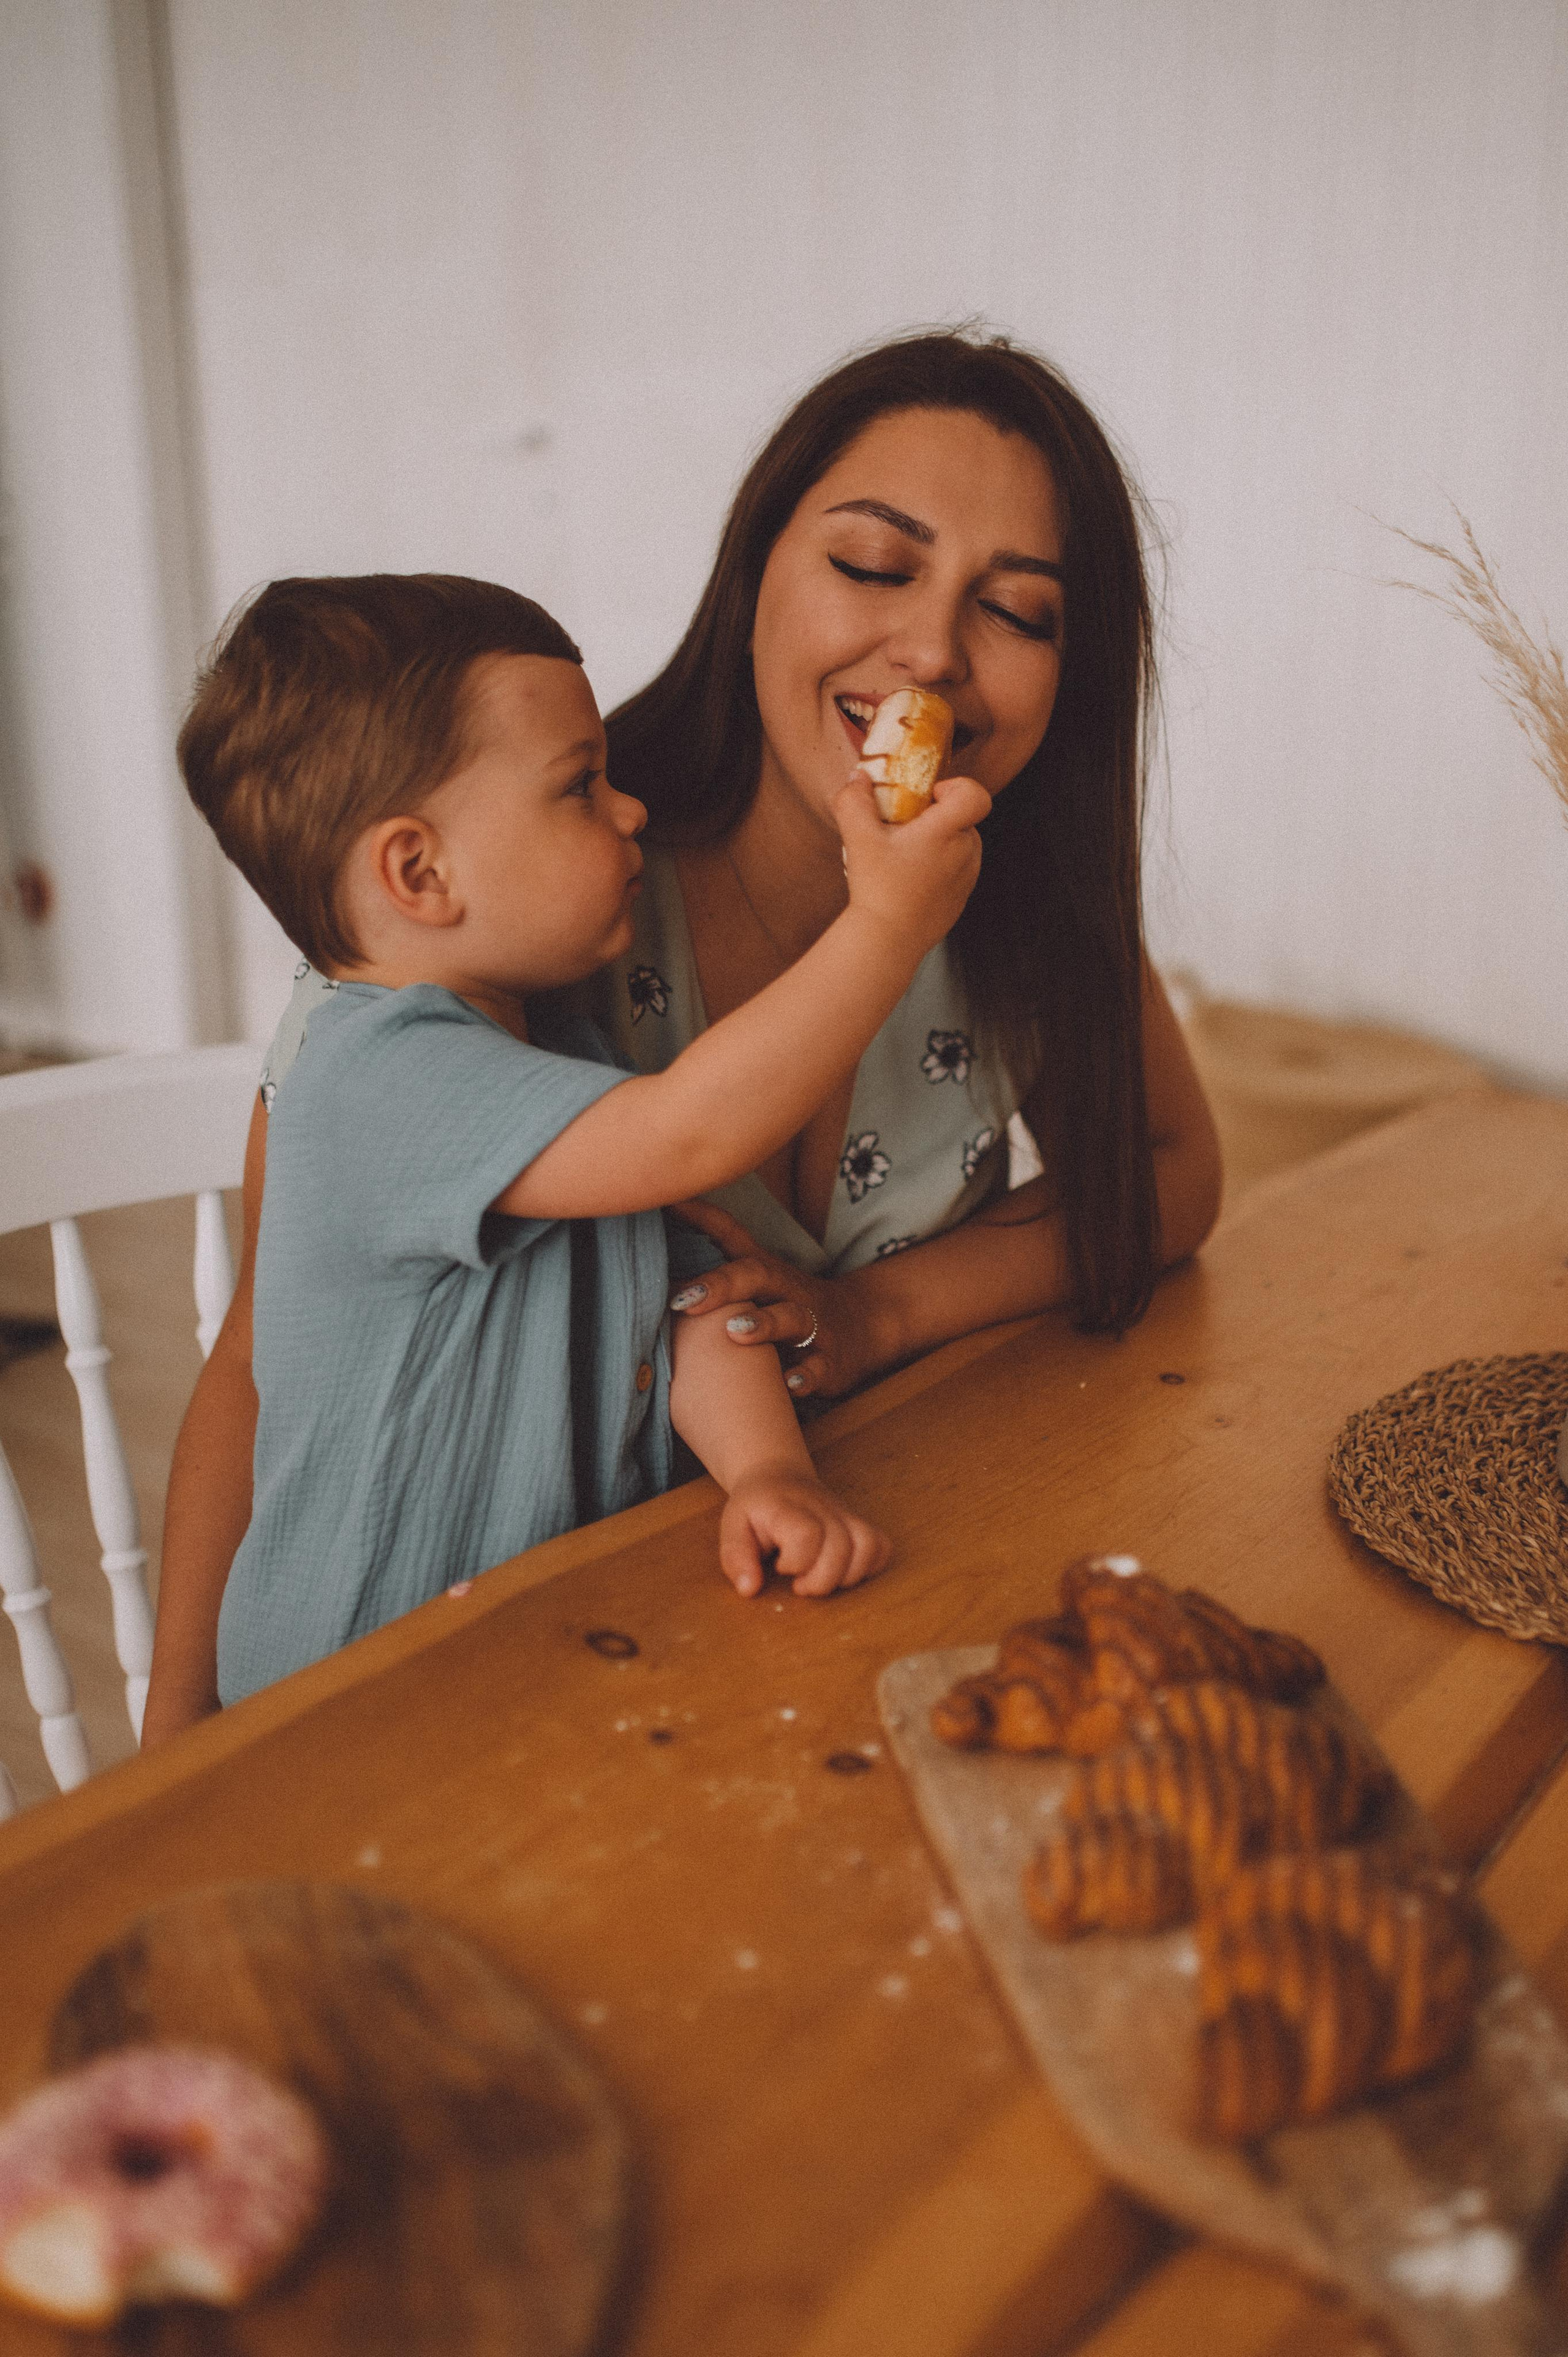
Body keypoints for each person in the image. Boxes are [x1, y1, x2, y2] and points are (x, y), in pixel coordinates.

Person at [142, 326, 1221, 1746]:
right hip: (490, 1677)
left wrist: (884, 1311)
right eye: (873, 565)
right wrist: (174, 1722)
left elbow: (1168, 1171)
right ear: (755, 566)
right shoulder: (513, 902)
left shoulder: (1013, 892)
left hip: (822, 1600)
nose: (931, 654)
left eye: (1016, 610)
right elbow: (259, 1355)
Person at [144, 573, 990, 1723]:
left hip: (541, 1669)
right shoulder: (374, 1079)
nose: (630, 810)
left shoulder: (576, 1063)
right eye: (579, 787)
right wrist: (888, 923)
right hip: (346, 1707)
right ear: (419, 874)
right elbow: (692, 1130)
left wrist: (768, 1472)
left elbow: (694, 1301)